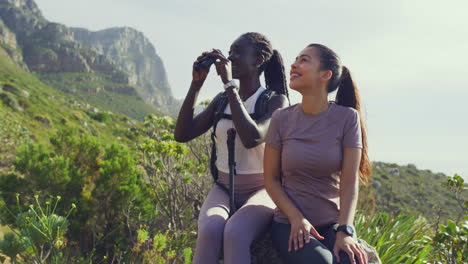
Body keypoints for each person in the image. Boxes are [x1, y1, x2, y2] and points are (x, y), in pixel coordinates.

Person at [174, 32, 289, 264]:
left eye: (237, 53)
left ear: (258, 60)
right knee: (209, 231)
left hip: (264, 189)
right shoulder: (221, 101)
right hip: (224, 187)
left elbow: (252, 137)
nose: (229, 58)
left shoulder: (276, 101)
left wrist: (229, 85)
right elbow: (182, 135)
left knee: (235, 233)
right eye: (229, 53)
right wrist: (196, 84)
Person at [264, 43, 372, 264]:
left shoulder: (347, 118)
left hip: (331, 223)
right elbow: (271, 179)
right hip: (289, 224)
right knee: (322, 261)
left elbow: (350, 181)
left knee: (351, 260)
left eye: (304, 60)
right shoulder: (281, 119)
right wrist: (296, 218)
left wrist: (345, 230)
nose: (294, 65)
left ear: (325, 75)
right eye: (295, 59)